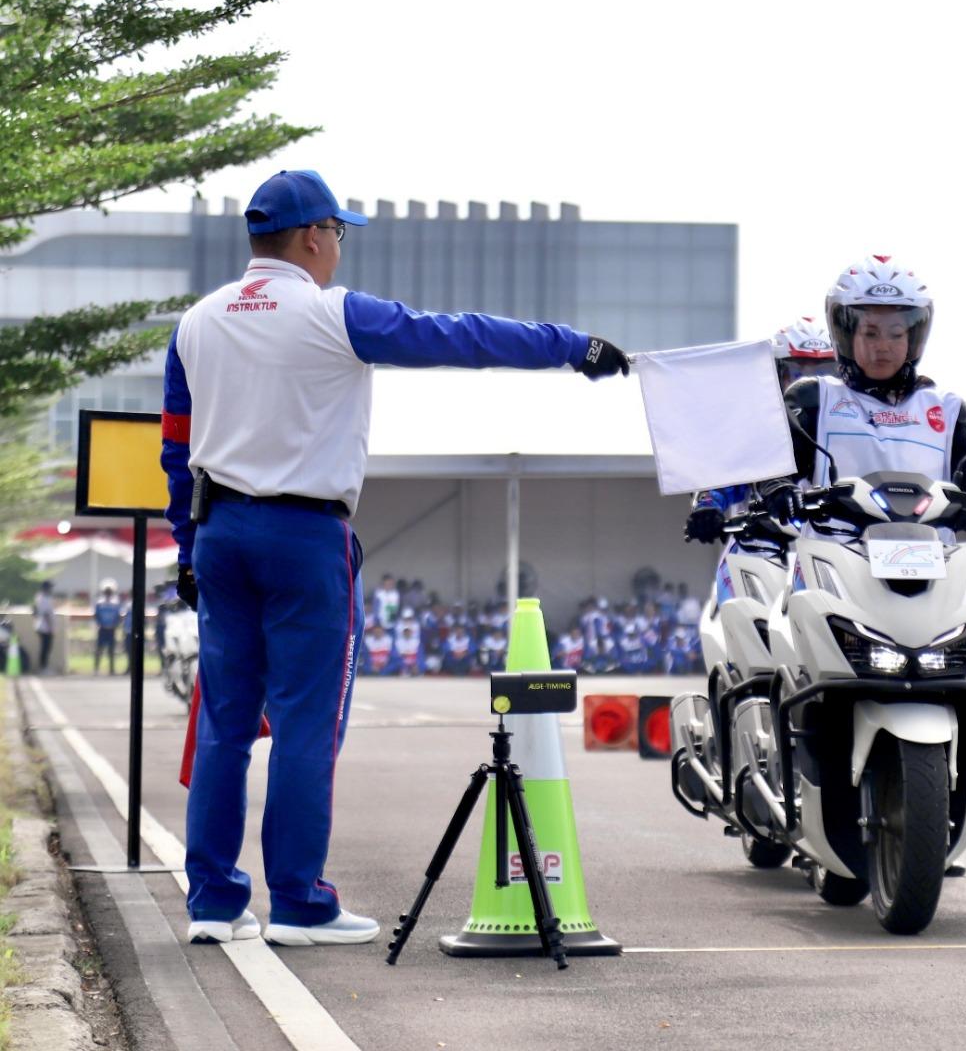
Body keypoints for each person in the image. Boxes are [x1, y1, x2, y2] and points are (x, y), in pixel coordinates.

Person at [160, 169, 630, 948]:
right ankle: (301, 904)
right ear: (314, 236)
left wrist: (185, 543)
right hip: (304, 538)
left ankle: (213, 902)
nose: (337, 249)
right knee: (309, 726)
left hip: (221, 536)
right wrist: (570, 348)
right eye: (337, 234)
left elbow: (174, 450)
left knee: (224, 726)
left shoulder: (198, 323)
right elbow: (461, 335)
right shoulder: (331, 315)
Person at [754, 254, 966, 920]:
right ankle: (810, 826)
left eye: (896, 331)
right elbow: (772, 468)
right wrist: (772, 496)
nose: (881, 344)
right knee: (804, 679)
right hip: (840, 569)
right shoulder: (814, 401)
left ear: (916, 335)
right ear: (845, 335)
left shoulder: (943, 411)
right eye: (867, 330)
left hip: (935, 572)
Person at [684, 318, 838, 545]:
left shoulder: (854, 426)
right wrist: (707, 508)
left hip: (838, 548)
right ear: (774, 374)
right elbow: (722, 478)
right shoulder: (754, 425)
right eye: (797, 373)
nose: (808, 385)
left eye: (823, 373)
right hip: (762, 549)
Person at [93, 584, 121, 675]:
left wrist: (115, 624)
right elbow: (96, 615)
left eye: (109, 593)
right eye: (106, 592)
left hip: (111, 629)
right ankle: (96, 669)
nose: (108, 594)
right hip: (102, 629)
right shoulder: (100, 603)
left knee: (111, 650)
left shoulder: (115, 604)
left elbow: (118, 616)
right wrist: (100, 624)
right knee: (99, 649)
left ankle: (112, 669)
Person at [32, 581, 54, 675]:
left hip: (43, 625)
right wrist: (50, 627)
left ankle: (44, 666)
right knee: (45, 648)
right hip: (45, 626)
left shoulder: (40, 597)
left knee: (46, 647)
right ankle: (43, 668)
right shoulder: (43, 598)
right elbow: (46, 613)